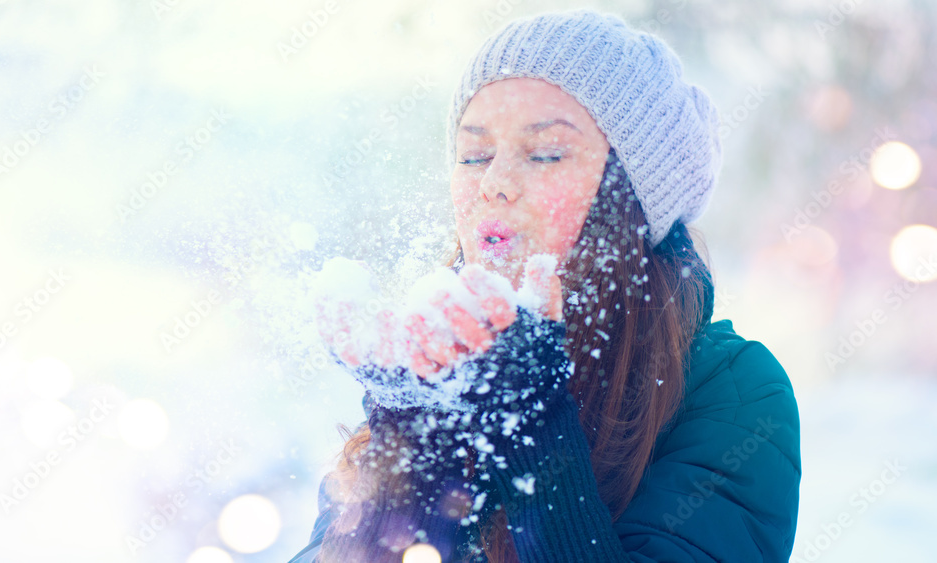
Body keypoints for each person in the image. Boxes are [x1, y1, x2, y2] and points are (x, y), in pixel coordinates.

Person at [289, 8, 801, 563]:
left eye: (546, 153)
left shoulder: (735, 391)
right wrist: (404, 437)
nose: (494, 183)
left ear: (629, 195)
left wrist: (533, 424)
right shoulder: (439, 363)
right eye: (473, 155)